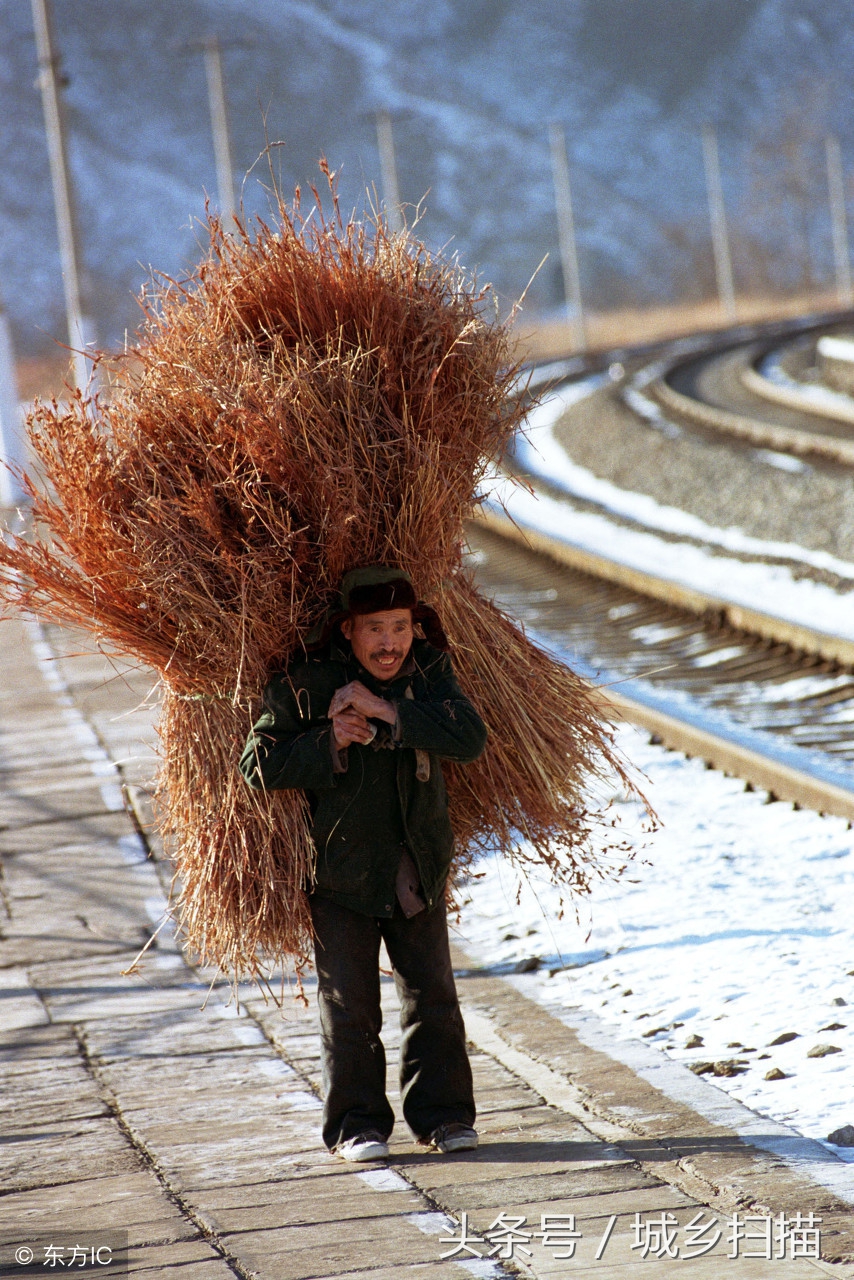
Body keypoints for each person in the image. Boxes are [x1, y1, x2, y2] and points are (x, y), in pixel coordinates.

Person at [239, 566, 488, 1162]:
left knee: (433, 997)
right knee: (349, 1007)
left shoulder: (429, 671)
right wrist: (330, 742)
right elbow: (257, 764)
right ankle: (356, 1126)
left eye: (400, 627)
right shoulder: (308, 682)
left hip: (415, 867)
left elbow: (470, 737)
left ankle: (445, 1119)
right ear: (347, 630)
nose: (389, 643)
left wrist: (386, 711)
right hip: (340, 874)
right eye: (375, 628)